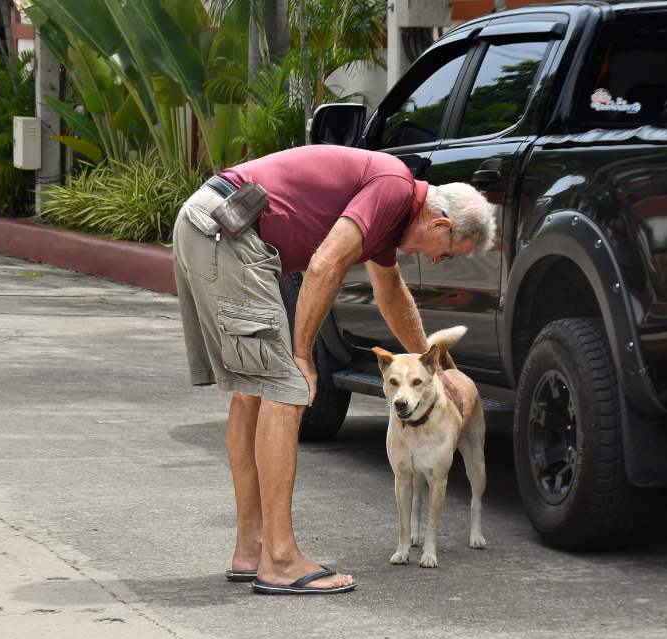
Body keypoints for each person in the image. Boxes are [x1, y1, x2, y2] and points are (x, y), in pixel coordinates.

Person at [173, 145, 495, 595]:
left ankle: (252, 549)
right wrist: (302, 355)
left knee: (252, 393)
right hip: (229, 233)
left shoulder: (393, 212)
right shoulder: (394, 187)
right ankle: (280, 560)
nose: (437, 261)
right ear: (440, 224)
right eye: (447, 253)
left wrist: (436, 367)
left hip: (212, 222)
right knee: (286, 388)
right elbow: (325, 264)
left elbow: (392, 295)